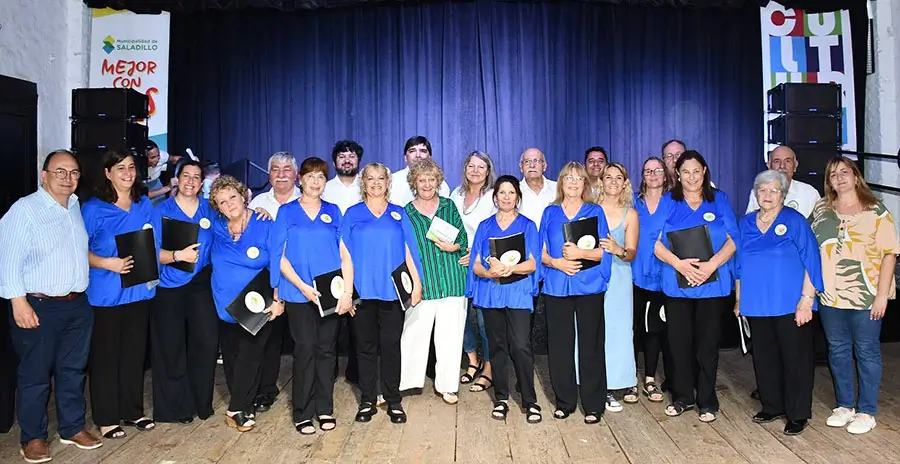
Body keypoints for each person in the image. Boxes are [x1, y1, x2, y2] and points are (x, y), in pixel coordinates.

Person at [0, 150, 102, 463]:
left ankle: (72, 427)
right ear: (44, 175)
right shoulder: (25, 209)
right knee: (35, 374)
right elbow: (8, 258)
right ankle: (32, 437)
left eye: (73, 172)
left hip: (77, 304)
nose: (67, 178)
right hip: (38, 305)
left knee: (73, 370)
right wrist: (18, 303)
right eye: (60, 171)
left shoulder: (74, 205)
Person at [810, 157, 899, 435]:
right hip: (830, 295)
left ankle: (866, 411)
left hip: (867, 295)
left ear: (856, 176)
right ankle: (845, 406)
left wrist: (881, 296)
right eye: (833, 174)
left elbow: (890, 254)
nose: (839, 177)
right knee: (837, 350)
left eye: (844, 172)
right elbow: (808, 245)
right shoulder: (821, 209)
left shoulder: (876, 210)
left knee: (866, 351)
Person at [734, 170, 823, 436]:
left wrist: (806, 300)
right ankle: (771, 406)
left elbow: (812, 260)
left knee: (796, 361)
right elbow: (738, 265)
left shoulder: (795, 220)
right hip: (757, 303)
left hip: (792, 304)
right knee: (765, 358)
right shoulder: (746, 223)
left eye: (774, 190)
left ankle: (797, 414)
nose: (768, 195)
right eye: (763, 190)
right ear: (755, 194)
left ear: (783, 194)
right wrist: (739, 300)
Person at [270, 157, 353, 435]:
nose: (315, 182)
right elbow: (279, 255)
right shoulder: (287, 212)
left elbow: (345, 253)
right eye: (310, 176)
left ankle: (325, 409)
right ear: (300, 180)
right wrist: (303, 287)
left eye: (320, 177)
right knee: (305, 349)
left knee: (327, 351)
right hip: (299, 293)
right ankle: (303, 412)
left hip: (330, 293)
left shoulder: (333, 211)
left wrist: (347, 292)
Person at [654, 150, 738, 423]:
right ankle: (682, 398)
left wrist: (711, 265)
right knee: (678, 345)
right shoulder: (668, 201)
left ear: (705, 171)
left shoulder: (720, 199)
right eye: (685, 172)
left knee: (707, 346)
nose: (691, 177)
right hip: (677, 285)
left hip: (712, 286)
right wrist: (679, 264)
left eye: (696, 171)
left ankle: (707, 400)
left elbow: (734, 239)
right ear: (677, 175)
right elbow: (652, 242)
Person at [82, 150, 158, 439]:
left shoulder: (143, 204)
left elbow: (153, 242)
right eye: (120, 168)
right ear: (107, 173)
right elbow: (77, 251)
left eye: (131, 167)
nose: (127, 173)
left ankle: (132, 411)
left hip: (139, 292)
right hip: (106, 295)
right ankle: (106, 418)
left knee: (134, 355)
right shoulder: (93, 209)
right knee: (105, 358)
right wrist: (106, 263)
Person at [342, 163, 424, 424]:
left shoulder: (399, 213)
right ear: (363, 183)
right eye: (370, 178)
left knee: (391, 347)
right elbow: (345, 254)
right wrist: (347, 292)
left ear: (388, 183)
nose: (376, 182)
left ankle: (393, 400)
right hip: (362, 292)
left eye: (381, 178)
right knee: (365, 349)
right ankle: (367, 400)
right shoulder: (352, 214)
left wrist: (417, 284)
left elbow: (410, 250)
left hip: (393, 293)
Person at [209, 176, 285, 433]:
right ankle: (245, 403)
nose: (229, 204)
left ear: (244, 196)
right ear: (217, 207)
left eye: (233, 197)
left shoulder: (265, 224)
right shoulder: (215, 227)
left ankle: (236, 409)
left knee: (251, 355)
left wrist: (278, 299)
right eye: (222, 202)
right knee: (232, 358)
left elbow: (278, 262)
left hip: (257, 303)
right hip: (224, 304)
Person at [540, 162, 612, 424]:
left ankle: (593, 405)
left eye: (578, 178)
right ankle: (565, 401)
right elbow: (540, 251)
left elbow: (604, 251)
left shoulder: (595, 211)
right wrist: (556, 263)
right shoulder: (550, 212)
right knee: (559, 346)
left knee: (591, 345)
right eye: (568, 178)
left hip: (589, 285)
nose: (573, 182)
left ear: (585, 184)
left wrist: (581, 254)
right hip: (557, 286)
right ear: (561, 182)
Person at [467, 175, 542, 422]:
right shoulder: (485, 226)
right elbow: (476, 264)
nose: (506, 197)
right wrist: (489, 272)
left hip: (518, 293)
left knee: (521, 345)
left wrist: (511, 269)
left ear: (517, 197)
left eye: (511, 193)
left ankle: (530, 400)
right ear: (495, 196)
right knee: (496, 346)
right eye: (502, 193)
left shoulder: (528, 226)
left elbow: (532, 263)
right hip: (491, 294)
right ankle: (501, 398)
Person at [149, 160, 218, 424]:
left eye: (196, 177)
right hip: (169, 286)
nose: (190, 181)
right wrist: (177, 255)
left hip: (202, 284)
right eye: (186, 176)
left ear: (202, 183)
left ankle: (201, 403)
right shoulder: (160, 211)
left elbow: (231, 229)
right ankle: (175, 408)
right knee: (170, 347)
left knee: (206, 343)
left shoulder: (210, 209)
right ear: (177, 179)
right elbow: (149, 252)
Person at [400, 159, 469, 404]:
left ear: (438, 182)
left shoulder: (449, 206)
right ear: (414, 183)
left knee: (450, 338)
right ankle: (407, 383)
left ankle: (447, 386)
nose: (427, 184)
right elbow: (403, 248)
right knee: (412, 335)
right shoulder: (406, 212)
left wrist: (455, 246)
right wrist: (413, 283)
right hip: (422, 284)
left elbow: (463, 238)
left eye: (431, 179)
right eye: (422, 180)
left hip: (452, 281)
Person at [247, 151, 300, 413]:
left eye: (287, 169)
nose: (281, 174)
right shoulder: (257, 202)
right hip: (268, 279)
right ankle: (266, 390)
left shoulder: (307, 198)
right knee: (268, 338)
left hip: (301, 279)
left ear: (296, 175)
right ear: (269, 175)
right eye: (275, 169)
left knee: (303, 339)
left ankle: (304, 390)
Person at [449, 151, 497, 393]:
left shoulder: (493, 196)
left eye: (481, 167)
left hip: (482, 262)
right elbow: (447, 225)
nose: (475, 171)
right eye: (471, 166)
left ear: (488, 171)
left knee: (484, 321)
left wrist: (476, 253)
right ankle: (472, 359)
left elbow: (498, 229)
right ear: (465, 168)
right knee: (458, 316)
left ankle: (489, 368)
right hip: (457, 261)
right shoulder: (455, 194)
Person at [595, 163, 639, 410]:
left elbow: (631, 253)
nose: (613, 181)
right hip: (592, 277)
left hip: (619, 278)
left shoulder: (630, 214)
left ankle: (612, 386)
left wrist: (617, 249)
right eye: (608, 177)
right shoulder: (590, 209)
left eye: (618, 177)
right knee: (591, 330)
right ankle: (590, 381)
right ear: (601, 181)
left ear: (625, 183)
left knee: (617, 332)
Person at [631, 157, 674, 403]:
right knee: (633, 327)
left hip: (663, 273)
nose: (653, 174)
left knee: (654, 329)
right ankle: (629, 379)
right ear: (643, 176)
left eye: (658, 170)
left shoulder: (674, 202)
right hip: (633, 272)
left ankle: (649, 378)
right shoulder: (633, 202)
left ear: (665, 174)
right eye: (648, 171)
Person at [745, 146, 820, 218]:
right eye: (777, 161)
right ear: (769, 166)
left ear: (795, 166)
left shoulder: (810, 193)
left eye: (788, 161)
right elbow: (750, 222)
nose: (782, 166)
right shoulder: (759, 192)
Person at [389, 136, 450, 206]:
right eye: (412, 151)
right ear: (405, 157)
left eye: (423, 151)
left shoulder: (441, 184)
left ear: (429, 157)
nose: (418, 155)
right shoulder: (392, 181)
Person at [518, 148, 557, 230]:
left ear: (544, 166)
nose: (532, 165)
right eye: (527, 161)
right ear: (521, 167)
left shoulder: (558, 188)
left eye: (536, 161)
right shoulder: (514, 191)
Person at [322, 140, 364, 214]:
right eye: (342, 157)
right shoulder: (324, 189)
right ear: (334, 163)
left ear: (358, 161)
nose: (347, 160)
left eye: (352, 156)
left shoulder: (367, 187)